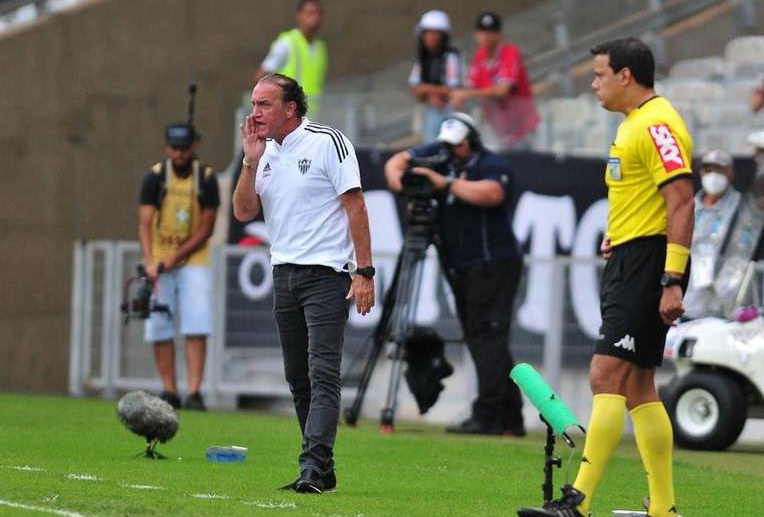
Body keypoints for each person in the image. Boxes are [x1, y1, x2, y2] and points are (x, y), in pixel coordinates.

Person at [518, 37, 694, 517]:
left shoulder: (657, 124)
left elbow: (682, 201)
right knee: (638, 387)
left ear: (625, 76)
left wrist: (671, 279)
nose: (593, 84)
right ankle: (664, 514)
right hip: (632, 258)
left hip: (648, 265)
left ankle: (578, 504)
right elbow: (650, 199)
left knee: (605, 374)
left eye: (599, 75)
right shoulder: (634, 123)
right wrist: (620, 232)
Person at [232, 74, 375, 494]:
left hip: (326, 276)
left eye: (264, 104)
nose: (255, 113)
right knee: (298, 376)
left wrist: (364, 272)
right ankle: (321, 468)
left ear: (290, 108)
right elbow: (243, 212)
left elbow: (356, 206)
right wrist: (249, 162)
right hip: (284, 274)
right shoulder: (262, 152)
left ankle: (312, 465)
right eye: (253, 104)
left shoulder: (328, 142)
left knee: (322, 371)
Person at [382, 113, 525, 437]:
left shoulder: (491, 164)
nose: (451, 151)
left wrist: (444, 183)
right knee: (484, 339)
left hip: (492, 264)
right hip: (461, 265)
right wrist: (403, 183)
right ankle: (510, 418)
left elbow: (492, 193)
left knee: (487, 338)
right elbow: (396, 162)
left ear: (471, 141)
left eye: (458, 145)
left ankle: (489, 416)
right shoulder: (441, 154)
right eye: (447, 145)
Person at [136, 121, 219, 411]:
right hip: (160, 259)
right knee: (159, 323)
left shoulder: (205, 178)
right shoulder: (155, 177)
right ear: (167, 147)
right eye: (174, 147)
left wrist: (178, 256)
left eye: (184, 147)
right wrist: (150, 262)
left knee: (197, 323)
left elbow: (207, 227)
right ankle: (170, 390)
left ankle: (194, 392)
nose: (179, 153)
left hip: (194, 259)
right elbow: (144, 224)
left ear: (194, 146)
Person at [452, 12, 539, 149]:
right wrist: (459, 96)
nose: (486, 35)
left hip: (522, 128)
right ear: (476, 34)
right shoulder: (479, 55)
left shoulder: (510, 52)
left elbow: (502, 91)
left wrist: (466, 94)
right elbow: (472, 86)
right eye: (482, 31)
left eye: (491, 31)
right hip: (499, 130)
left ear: (499, 34)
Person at [684, 149, 742, 317]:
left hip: (725, 304)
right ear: (701, 173)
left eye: (719, 170)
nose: (713, 175)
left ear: (730, 174)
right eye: (708, 170)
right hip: (690, 302)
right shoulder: (689, 207)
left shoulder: (741, 205)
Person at [256, 0, 328, 119]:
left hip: (310, 117)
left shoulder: (320, 48)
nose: (315, 17)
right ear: (299, 16)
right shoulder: (287, 43)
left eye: (318, 13)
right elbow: (261, 76)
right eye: (310, 13)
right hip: (287, 118)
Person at [408, 10, 463, 143]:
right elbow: (414, 88)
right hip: (431, 112)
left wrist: (426, 88)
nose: (430, 37)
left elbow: (454, 89)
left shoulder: (451, 57)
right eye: (427, 33)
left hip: (450, 112)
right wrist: (429, 95)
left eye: (434, 33)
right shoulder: (423, 59)